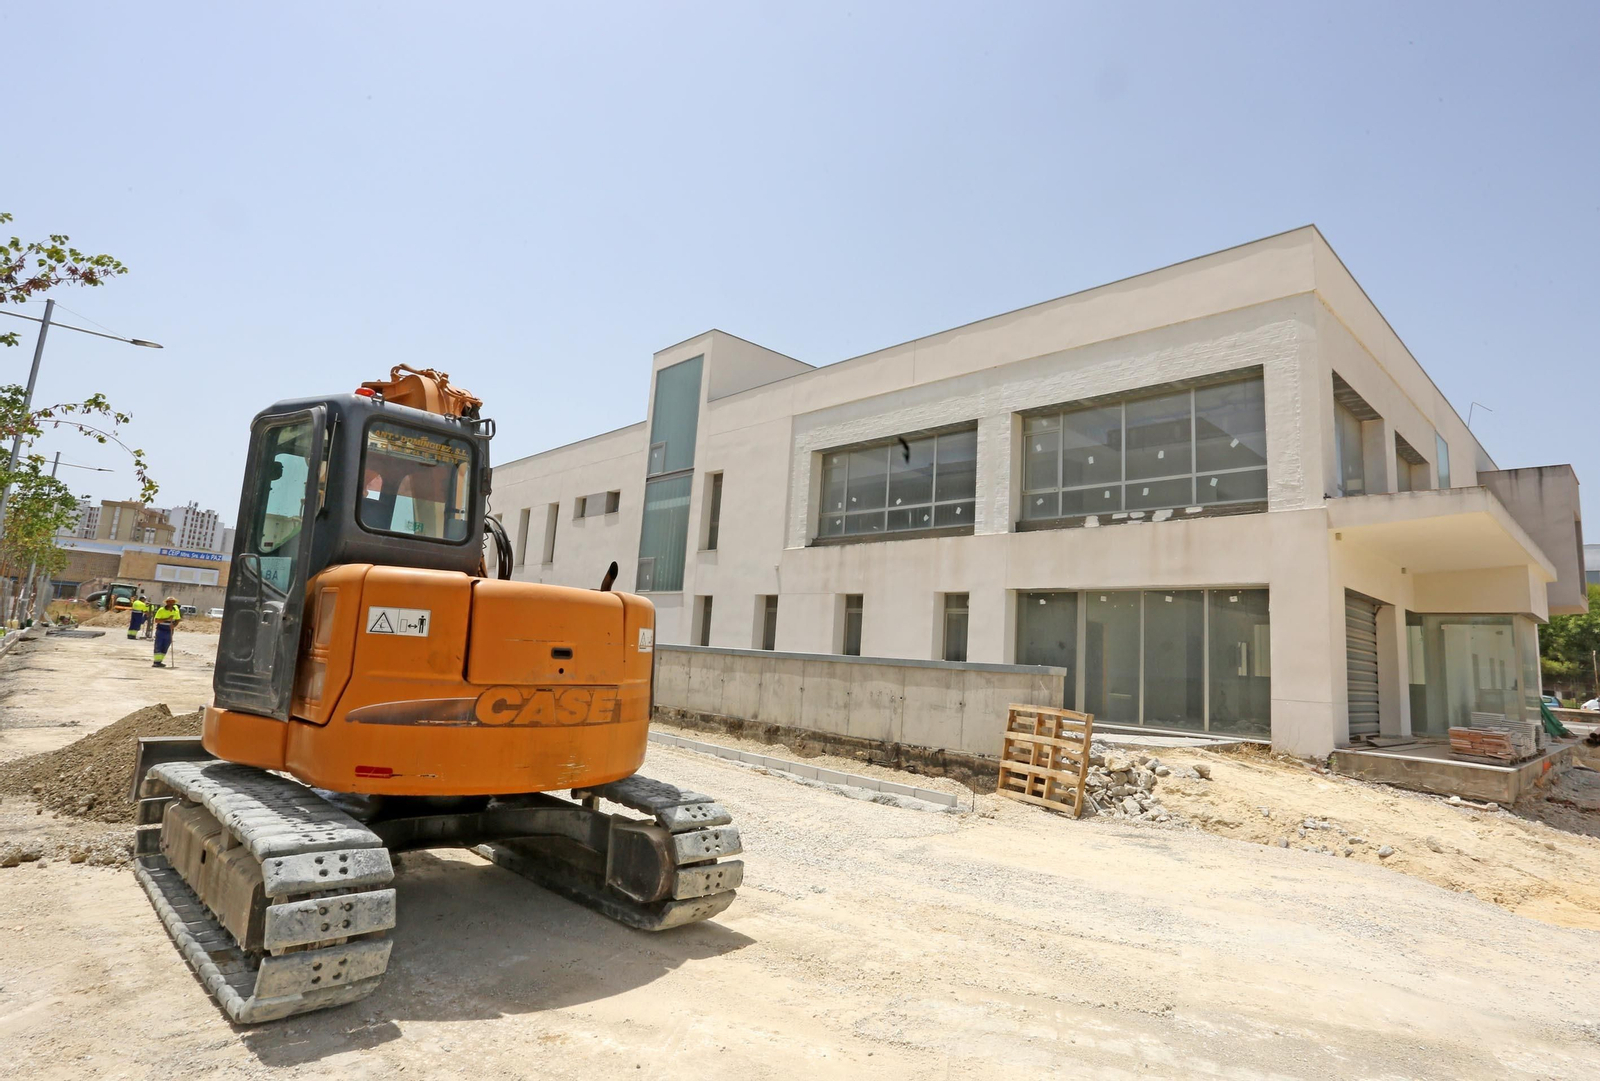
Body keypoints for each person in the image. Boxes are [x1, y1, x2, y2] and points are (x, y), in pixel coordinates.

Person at [151, 596, 182, 668]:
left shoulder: (176, 610)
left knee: (166, 646)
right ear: (167, 602)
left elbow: (177, 619)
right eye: (170, 602)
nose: (171, 603)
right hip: (161, 629)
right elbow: (157, 620)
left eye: (173, 602)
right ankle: (156, 662)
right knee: (159, 645)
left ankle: (160, 661)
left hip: (169, 630)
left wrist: (174, 626)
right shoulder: (161, 610)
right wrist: (167, 619)